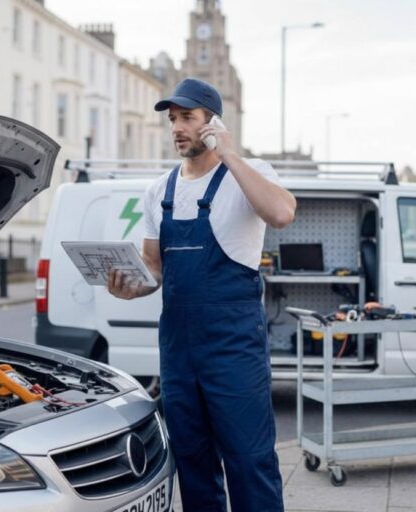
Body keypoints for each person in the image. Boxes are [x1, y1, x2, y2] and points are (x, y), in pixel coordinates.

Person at [108, 77, 295, 511]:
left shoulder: (249, 174)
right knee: (192, 462)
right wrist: (128, 288)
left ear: (213, 124)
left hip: (233, 348)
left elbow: (283, 213)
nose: (177, 127)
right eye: (173, 119)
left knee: (249, 461)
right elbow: (153, 269)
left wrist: (230, 155)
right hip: (178, 351)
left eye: (187, 118)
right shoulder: (160, 191)